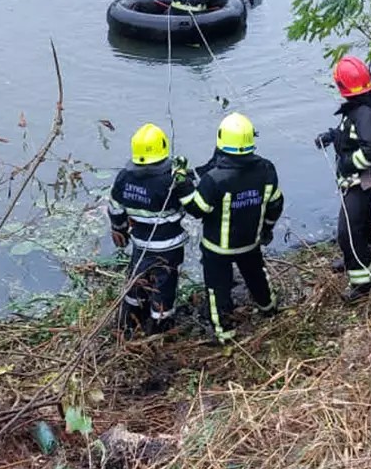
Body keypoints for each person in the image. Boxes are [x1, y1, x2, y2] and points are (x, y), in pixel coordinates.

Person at [181, 112, 283, 344]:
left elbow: (197, 209)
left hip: (218, 249)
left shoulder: (215, 179)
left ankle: (224, 333)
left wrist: (183, 186)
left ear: (221, 140)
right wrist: (267, 229)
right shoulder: (267, 169)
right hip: (250, 243)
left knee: (218, 290)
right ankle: (269, 310)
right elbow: (276, 203)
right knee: (257, 276)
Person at [315, 56, 371, 302]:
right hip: (364, 179)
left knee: (348, 231)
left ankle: (362, 284)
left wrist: (348, 163)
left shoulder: (364, 113)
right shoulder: (367, 104)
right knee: (360, 223)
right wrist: (332, 136)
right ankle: (359, 257)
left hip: (362, 180)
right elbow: (354, 133)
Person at [107, 123, 194, 337]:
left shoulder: (124, 178)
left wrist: (120, 229)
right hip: (169, 247)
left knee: (137, 277)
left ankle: (129, 320)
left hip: (140, 244)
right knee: (165, 285)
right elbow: (193, 205)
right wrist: (185, 181)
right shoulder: (171, 180)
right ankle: (161, 326)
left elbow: (115, 208)